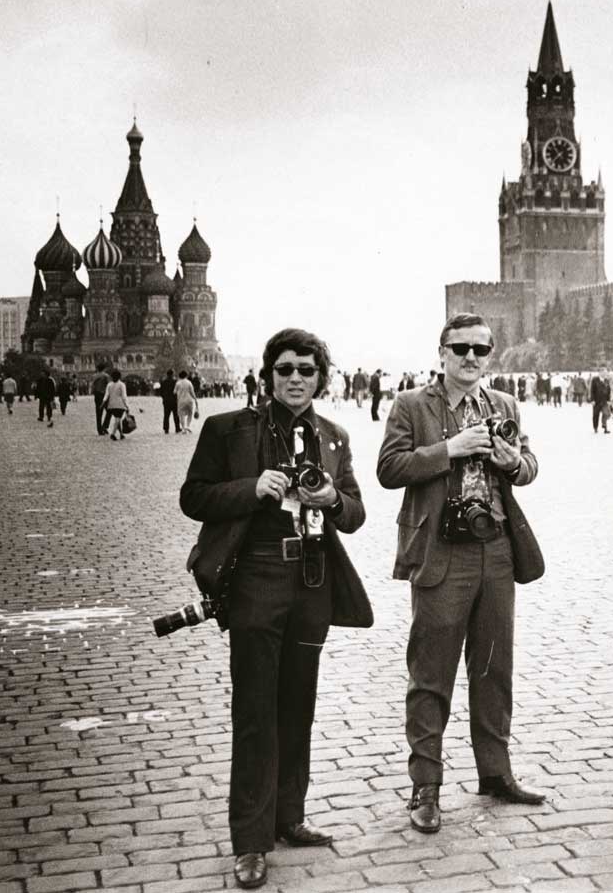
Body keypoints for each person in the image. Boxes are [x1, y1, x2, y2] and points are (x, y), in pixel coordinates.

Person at [180, 328, 370, 890]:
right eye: (284, 368)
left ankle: (289, 817)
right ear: (267, 375)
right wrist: (251, 488)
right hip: (257, 578)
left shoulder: (331, 436)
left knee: (298, 706)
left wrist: (332, 498)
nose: (294, 378)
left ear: (320, 378)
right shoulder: (228, 429)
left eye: (306, 370)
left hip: (311, 582)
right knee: (257, 711)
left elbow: (355, 513)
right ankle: (250, 841)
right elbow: (193, 496)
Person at [377, 312, 546, 835]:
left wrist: (514, 460)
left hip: (494, 548)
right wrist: (449, 450)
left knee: (494, 668)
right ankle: (425, 785)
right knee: (432, 672)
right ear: (442, 353)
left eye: (480, 349)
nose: (470, 358)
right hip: (441, 551)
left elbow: (531, 465)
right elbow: (389, 469)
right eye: (460, 349)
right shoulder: (411, 405)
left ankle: (495, 773)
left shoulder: (504, 404)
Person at [102, 369, 129, 440]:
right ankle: (113, 434)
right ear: (119, 377)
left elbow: (106, 395)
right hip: (120, 404)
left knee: (117, 419)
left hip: (111, 404)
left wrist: (103, 402)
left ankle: (121, 434)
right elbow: (124, 396)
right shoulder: (122, 385)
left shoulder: (109, 384)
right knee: (118, 419)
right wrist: (127, 405)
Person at [160, 370, 181, 434]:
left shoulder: (163, 382)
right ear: (172, 374)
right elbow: (178, 391)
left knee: (166, 415)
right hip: (174, 401)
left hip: (166, 401)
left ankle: (166, 429)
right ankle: (177, 428)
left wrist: (164, 397)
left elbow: (161, 392)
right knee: (176, 415)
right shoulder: (175, 382)